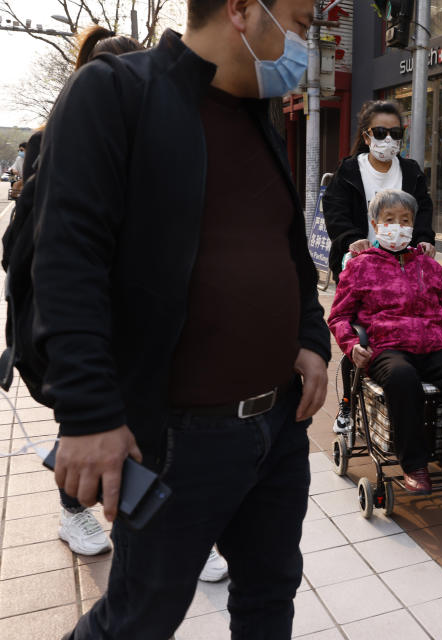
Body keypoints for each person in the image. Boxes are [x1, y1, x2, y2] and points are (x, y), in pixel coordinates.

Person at [34, 1, 331, 637]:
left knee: (270, 594)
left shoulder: (258, 115)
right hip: (178, 439)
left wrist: (310, 335)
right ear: (244, 11)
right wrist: (89, 414)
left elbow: (285, 247)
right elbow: (67, 259)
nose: (309, 42)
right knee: (138, 620)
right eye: (303, 23)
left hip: (277, 428)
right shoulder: (117, 93)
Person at [328, 189, 442, 495]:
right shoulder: (360, 266)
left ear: (413, 225)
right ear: (375, 223)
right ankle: (414, 464)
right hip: (387, 347)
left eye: (405, 220)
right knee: (402, 376)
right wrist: (351, 344)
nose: (397, 226)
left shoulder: (427, 265)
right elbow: (339, 316)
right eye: (389, 219)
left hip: (434, 344)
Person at [322, 99, 436, 435]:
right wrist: (350, 239)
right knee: (359, 334)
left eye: (395, 132)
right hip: (361, 265)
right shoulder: (349, 170)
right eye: (381, 132)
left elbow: (424, 210)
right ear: (367, 135)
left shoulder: (411, 170)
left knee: (405, 330)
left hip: (405, 265)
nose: (388, 139)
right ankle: (347, 407)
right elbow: (336, 211)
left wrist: (426, 239)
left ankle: (396, 400)